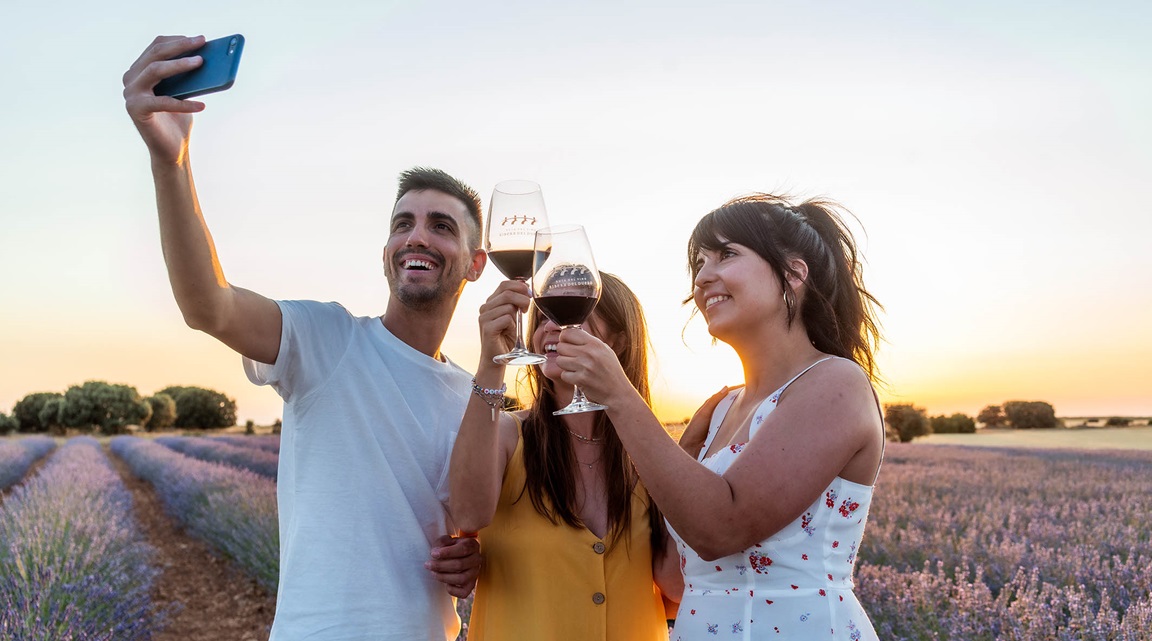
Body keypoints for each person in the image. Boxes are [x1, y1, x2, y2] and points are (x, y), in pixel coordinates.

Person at [123, 36, 484, 640]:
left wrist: (473, 557)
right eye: (403, 223)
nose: (416, 237)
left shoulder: (478, 396)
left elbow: (470, 527)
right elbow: (207, 304)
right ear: (386, 251)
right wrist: (171, 163)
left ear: (475, 263)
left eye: (440, 226)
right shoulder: (328, 340)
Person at [555, 194, 885, 640]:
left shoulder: (835, 383)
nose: (703, 276)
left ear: (794, 273)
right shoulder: (721, 411)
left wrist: (617, 393)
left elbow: (720, 529)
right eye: (699, 261)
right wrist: (686, 450)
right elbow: (677, 577)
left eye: (727, 254)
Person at [449, 272, 684, 640]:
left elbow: (675, 587)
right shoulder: (509, 434)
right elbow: (465, 513)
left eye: (572, 314)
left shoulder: (646, 454)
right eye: (543, 317)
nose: (551, 328)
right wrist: (492, 360)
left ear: (619, 341)